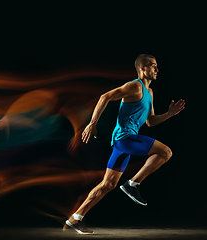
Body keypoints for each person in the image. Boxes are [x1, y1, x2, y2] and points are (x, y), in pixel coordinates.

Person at [65, 54, 185, 234]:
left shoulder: (149, 92)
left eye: (157, 66)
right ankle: (133, 184)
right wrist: (92, 123)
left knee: (107, 185)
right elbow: (105, 97)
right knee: (165, 152)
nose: (157, 69)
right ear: (142, 68)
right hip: (125, 138)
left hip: (126, 142)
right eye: (153, 66)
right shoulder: (135, 86)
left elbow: (150, 122)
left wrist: (169, 114)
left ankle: (75, 219)